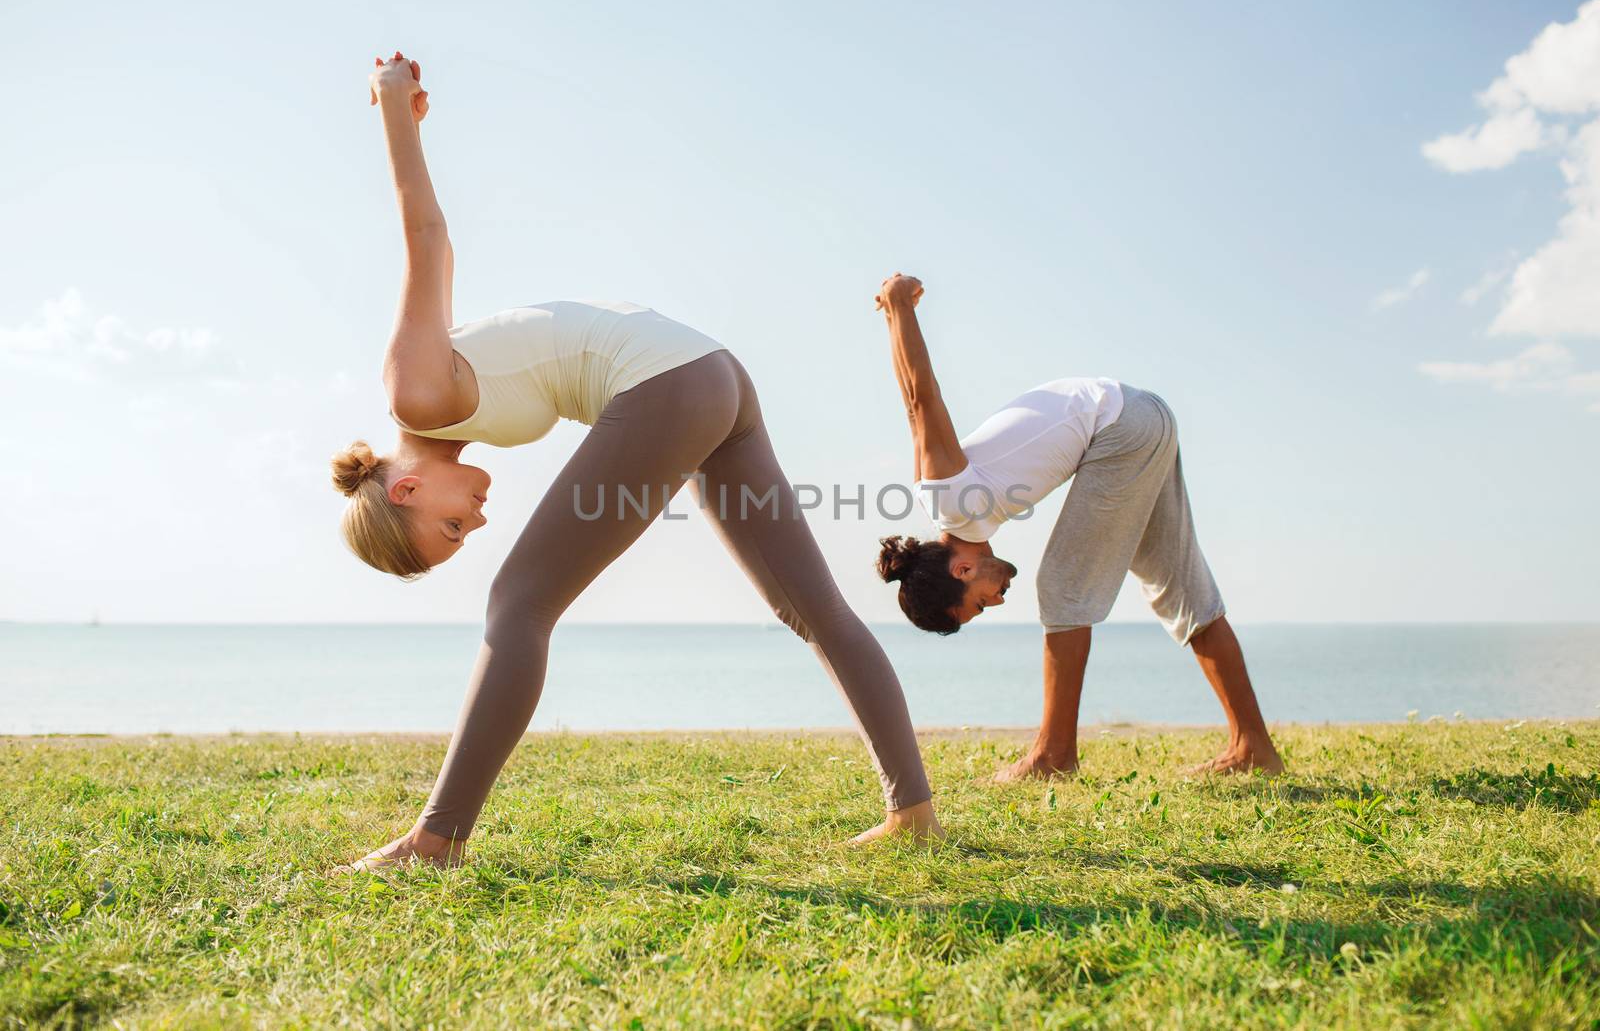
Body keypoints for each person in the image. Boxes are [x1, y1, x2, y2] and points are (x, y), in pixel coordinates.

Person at [334, 54, 941, 869]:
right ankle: (914, 810)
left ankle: (435, 839)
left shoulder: (412, 391)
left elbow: (427, 239)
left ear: (403, 485)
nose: (476, 517)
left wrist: (394, 111)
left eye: (449, 521)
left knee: (517, 602)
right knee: (811, 606)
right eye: (464, 530)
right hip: (714, 376)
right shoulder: (443, 401)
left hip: (673, 384)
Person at [869, 272, 1283, 780]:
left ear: (961, 570)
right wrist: (893, 316)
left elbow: (919, 400)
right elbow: (913, 412)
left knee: (1062, 589)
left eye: (981, 603)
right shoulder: (960, 504)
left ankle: (1053, 756)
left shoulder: (949, 497)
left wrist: (900, 308)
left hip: (1123, 427)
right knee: (1178, 591)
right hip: (1137, 421)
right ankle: (1253, 748)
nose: (997, 601)